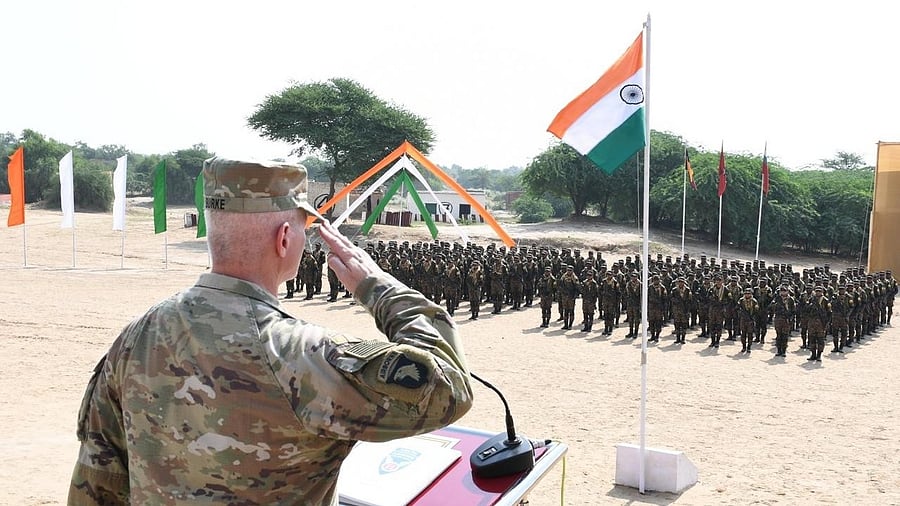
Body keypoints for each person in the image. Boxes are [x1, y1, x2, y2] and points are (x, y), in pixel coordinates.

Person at [67, 158, 473, 505]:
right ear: (284, 238)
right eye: (302, 230)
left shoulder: (136, 337)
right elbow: (450, 388)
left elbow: (98, 478)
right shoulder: (303, 354)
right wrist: (378, 288)